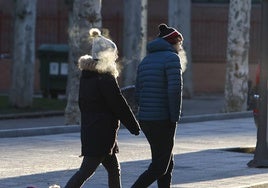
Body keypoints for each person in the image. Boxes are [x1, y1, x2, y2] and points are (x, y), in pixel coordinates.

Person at [65, 28, 140, 188]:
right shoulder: (105, 77)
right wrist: (133, 126)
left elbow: (84, 103)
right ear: (105, 55)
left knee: (114, 169)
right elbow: (118, 104)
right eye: (114, 53)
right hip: (101, 133)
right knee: (86, 171)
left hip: (94, 130)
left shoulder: (87, 76)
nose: (116, 56)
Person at [132, 23, 183, 188]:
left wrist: (144, 109)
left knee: (166, 162)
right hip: (163, 119)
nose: (181, 46)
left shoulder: (146, 60)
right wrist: (174, 117)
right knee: (160, 167)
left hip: (146, 119)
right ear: (172, 42)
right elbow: (174, 90)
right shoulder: (172, 58)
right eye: (179, 42)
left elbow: (138, 91)